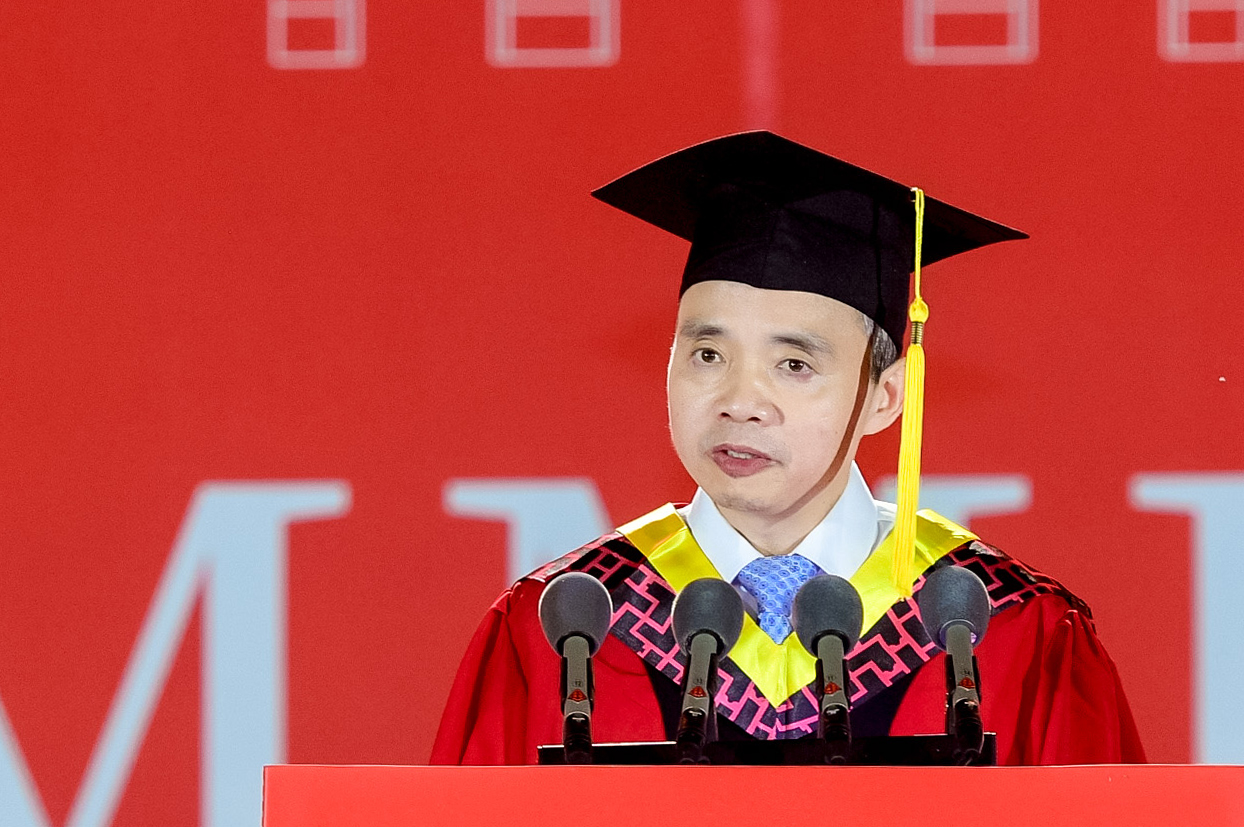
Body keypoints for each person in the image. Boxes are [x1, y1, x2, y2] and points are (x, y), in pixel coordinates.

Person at [430, 131, 1144, 766]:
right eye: (707, 354)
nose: (740, 401)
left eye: (794, 364)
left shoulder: (1008, 628)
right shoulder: (563, 630)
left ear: (885, 397)